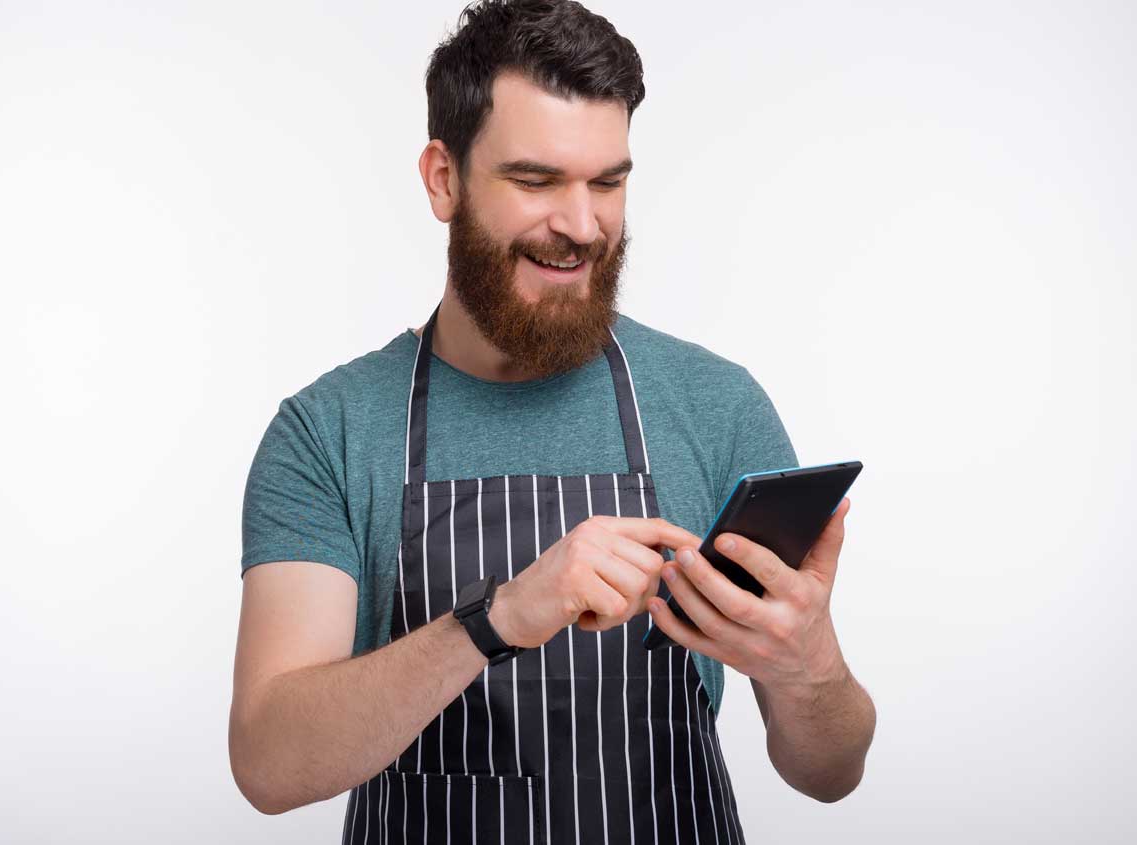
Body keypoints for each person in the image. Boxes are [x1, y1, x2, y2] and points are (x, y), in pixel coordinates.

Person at [229, 1, 876, 842]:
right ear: (443, 178)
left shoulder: (715, 405)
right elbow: (269, 763)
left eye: (607, 181)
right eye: (536, 181)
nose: (580, 226)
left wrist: (810, 666)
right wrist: (498, 618)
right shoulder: (331, 430)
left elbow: (830, 772)